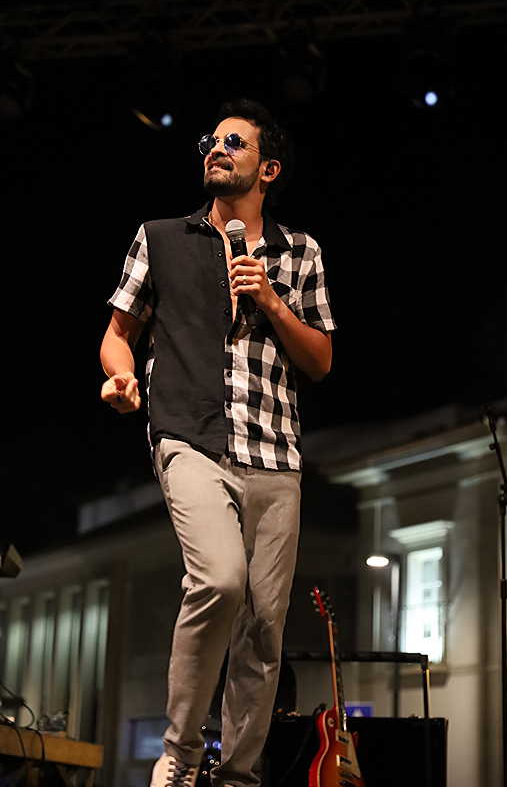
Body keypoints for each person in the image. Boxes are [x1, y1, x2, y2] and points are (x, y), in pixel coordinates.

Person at [100, 98, 336, 787]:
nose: (215, 149)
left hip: (275, 454)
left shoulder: (300, 252)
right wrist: (122, 377)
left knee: (264, 628)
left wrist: (270, 300)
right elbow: (118, 334)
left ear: (269, 169)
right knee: (219, 579)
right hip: (190, 437)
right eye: (211, 140)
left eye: (234, 143)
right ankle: (178, 753)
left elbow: (320, 360)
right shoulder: (160, 238)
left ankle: (237, 777)